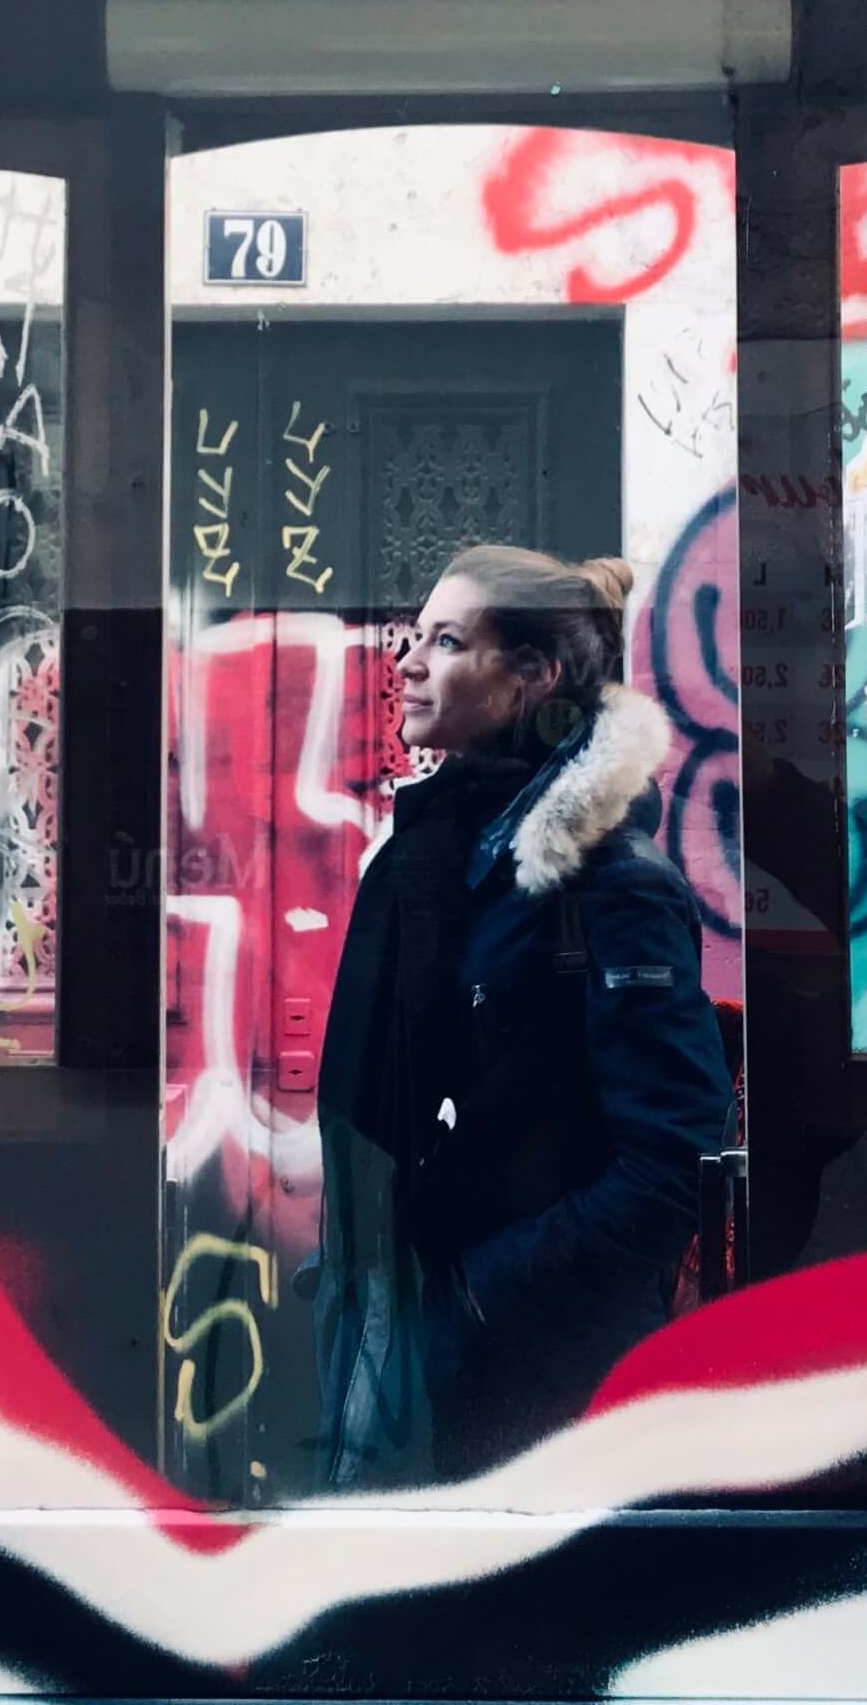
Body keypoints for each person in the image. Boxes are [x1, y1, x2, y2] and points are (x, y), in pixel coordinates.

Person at [311, 544, 733, 1489]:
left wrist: (472, 1296)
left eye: (448, 642)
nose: (408, 663)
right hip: (456, 1359)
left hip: (552, 1385)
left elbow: (672, 1164)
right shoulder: (459, 863)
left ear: (532, 675)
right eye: (416, 637)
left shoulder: (610, 887)